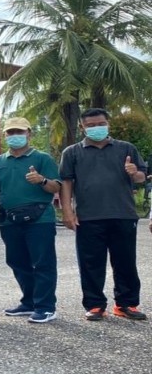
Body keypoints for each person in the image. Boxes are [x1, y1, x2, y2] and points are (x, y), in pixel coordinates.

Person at [60, 108, 148, 321]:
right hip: (88, 217)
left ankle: (126, 304)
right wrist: (67, 212)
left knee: (125, 262)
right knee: (91, 264)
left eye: (100, 123)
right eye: (90, 125)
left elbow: (141, 178)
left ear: (108, 124)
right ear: (82, 127)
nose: (96, 128)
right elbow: (66, 182)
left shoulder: (126, 148)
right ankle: (95, 305)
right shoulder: (72, 152)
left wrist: (133, 172)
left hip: (123, 214)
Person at [0, 117, 60, 324]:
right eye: (10, 132)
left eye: (19, 131)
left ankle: (45, 307)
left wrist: (42, 180)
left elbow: (56, 187)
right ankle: (29, 302)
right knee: (17, 261)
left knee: (43, 262)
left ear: (29, 133)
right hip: (10, 220)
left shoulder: (43, 158)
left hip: (40, 220)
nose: (14, 136)